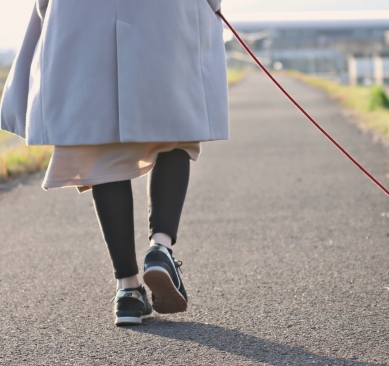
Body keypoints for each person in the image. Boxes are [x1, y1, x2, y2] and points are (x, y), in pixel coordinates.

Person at [0, 0, 229, 326]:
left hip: (81, 13)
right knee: (175, 130)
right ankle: (160, 248)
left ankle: (128, 291)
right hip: (165, 12)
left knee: (100, 144)